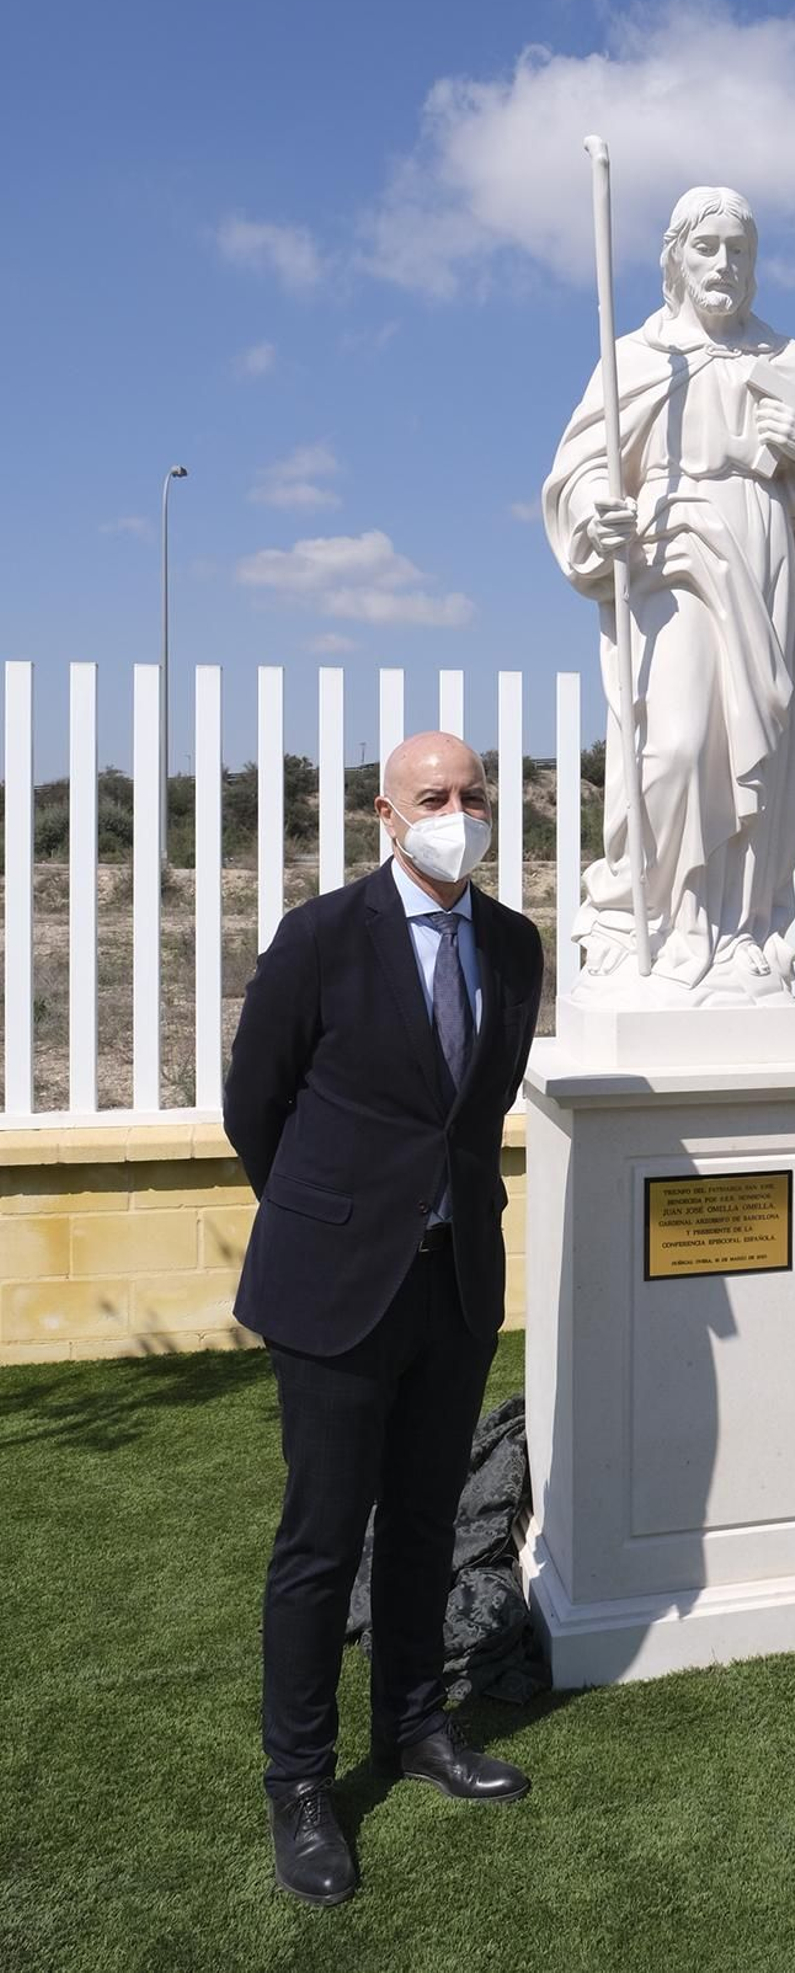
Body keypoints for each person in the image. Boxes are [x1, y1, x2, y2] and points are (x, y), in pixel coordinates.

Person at [224, 732, 544, 1905]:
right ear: (385, 815)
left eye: (471, 794)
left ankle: (417, 1724)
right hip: (334, 1281)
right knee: (319, 1541)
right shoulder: (321, 938)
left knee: (423, 1517)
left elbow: (480, 1101)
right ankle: (301, 1782)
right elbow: (254, 1102)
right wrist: (334, 1216)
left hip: (453, 1279)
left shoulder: (512, 945)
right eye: (433, 796)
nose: (456, 811)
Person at [543, 185, 795, 998]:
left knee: (758, 751)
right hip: (670, 555)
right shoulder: (637, 356)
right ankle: (653, 922)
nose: (724, 263)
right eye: (707, 247)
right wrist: (597, 515)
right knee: (679, 744)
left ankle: (738, 930)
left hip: (761, 561)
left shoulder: (786, 361)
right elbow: (581, 470)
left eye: (739, 249)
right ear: (675, 259)